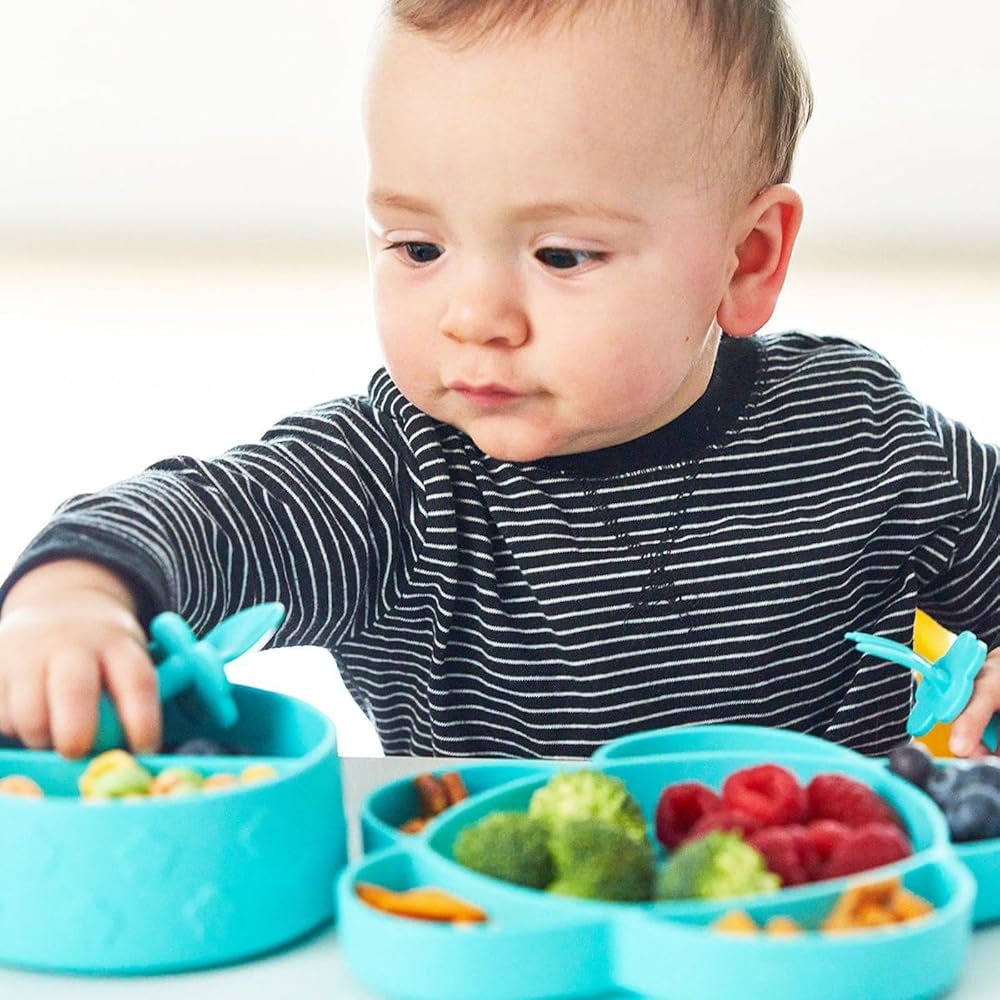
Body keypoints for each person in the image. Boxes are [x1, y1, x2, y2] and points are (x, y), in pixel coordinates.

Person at [0, 0, 997, 762]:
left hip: (819, 923)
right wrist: (76, 594)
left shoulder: (861, 441)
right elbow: (208, 518)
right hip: (492, 924)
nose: (473, 317)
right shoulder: (394, 473)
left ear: (747, 260)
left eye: (560, 255)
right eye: (418, 246)